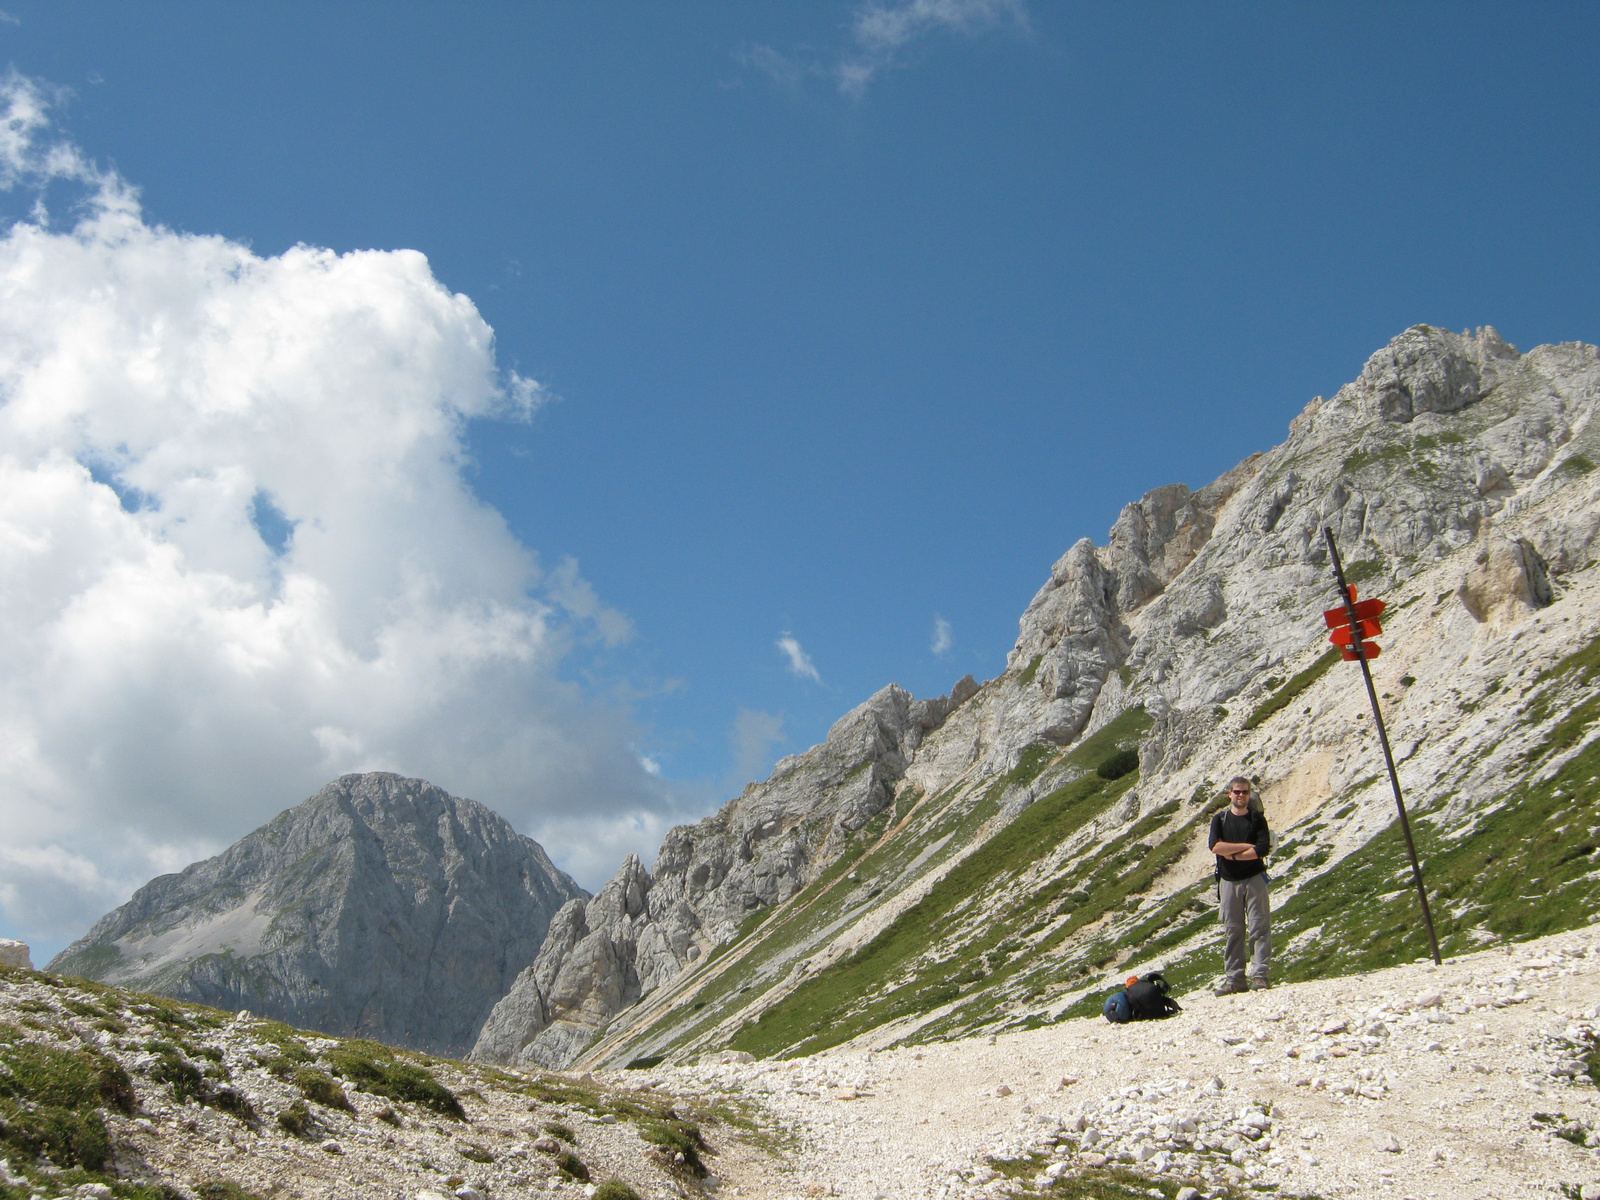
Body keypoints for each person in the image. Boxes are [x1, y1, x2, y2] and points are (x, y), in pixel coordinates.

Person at [1208, 776, 1271, 995]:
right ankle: (1235, 980)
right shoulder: (1220, 819)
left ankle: (1260, 976)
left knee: (1258, 926)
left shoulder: (1257, 819)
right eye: (1237, 792)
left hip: (1254, 879)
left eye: (1245, 792)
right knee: (1233, 930)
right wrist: (1244, 848)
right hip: (1228, 881)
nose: (1241, 796)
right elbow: (1215, 847)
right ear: (1230, 794)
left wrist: (1231, 854)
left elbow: (1262, 849)